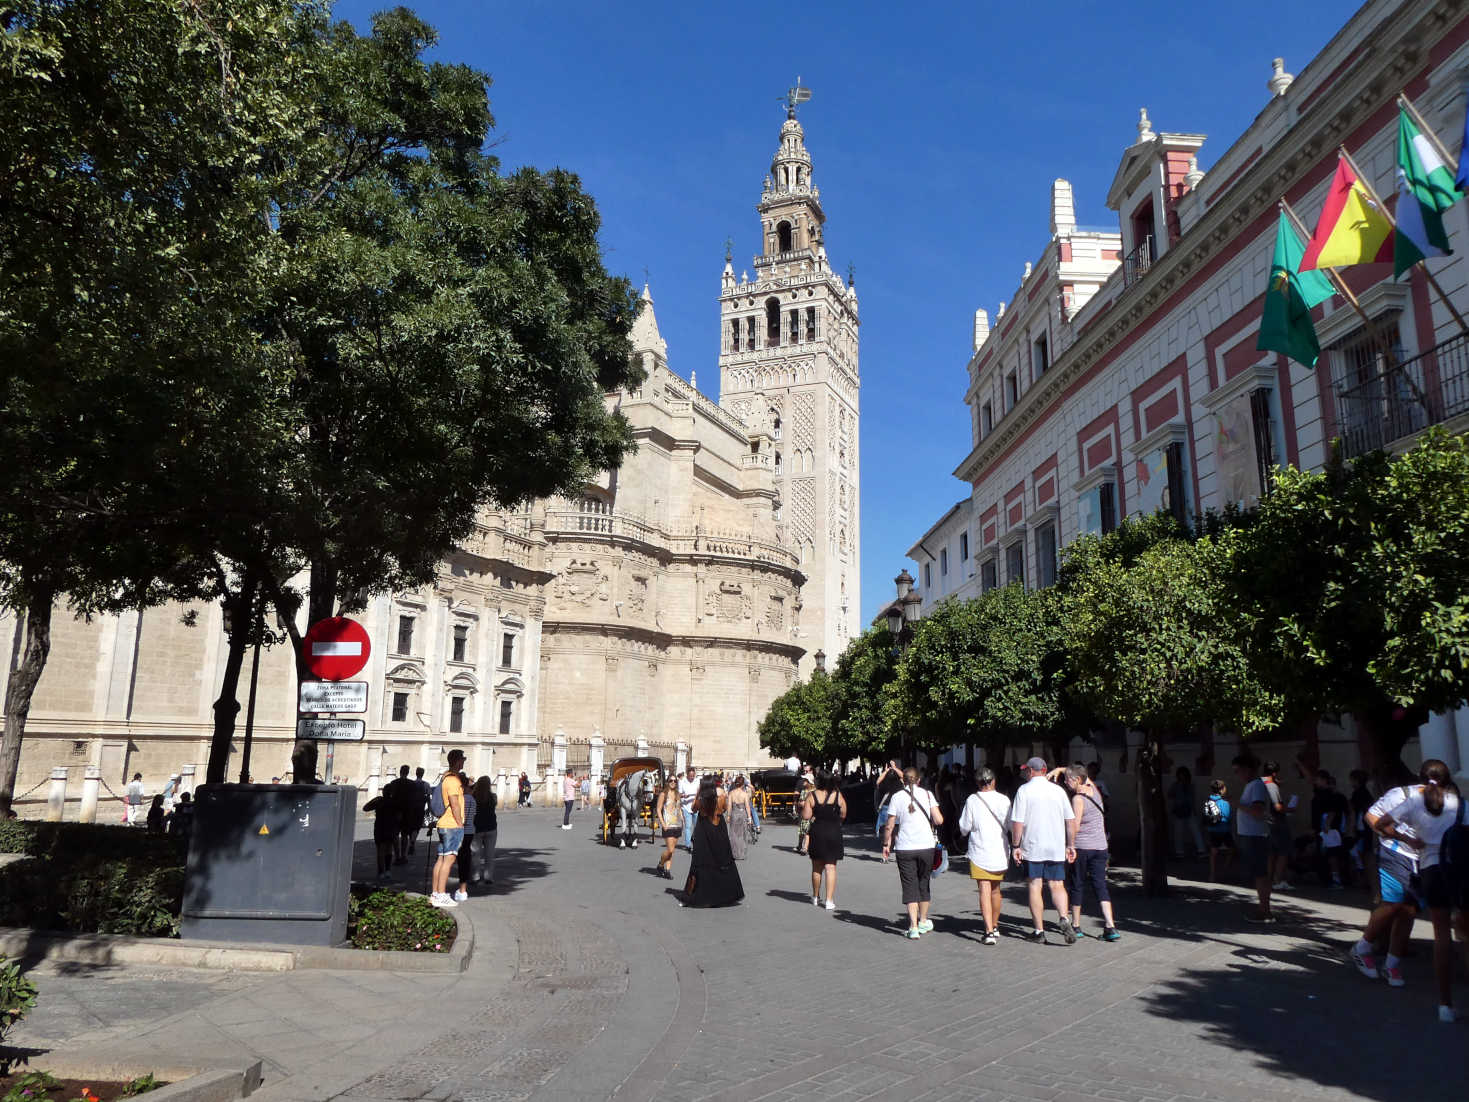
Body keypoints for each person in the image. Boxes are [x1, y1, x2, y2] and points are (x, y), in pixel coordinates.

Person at [1350, 760, 1461, 1007]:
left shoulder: (1448, 800)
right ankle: (1363, 947)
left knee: (1409, 911)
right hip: (1395, 852)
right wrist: (1402, 837)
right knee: (1393, 904)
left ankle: (1392, 964)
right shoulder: (1403, 795)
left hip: (1424, 861)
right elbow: (1372, 817)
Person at [1010, 757, 1077, 944]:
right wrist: (1070, 845)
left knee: (1035, 885)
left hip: (1033, 846)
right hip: (1055, 845)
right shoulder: (1058, 791)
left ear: (1031, 771)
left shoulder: (1024, 791)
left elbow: (1018, 822)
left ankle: (1039, 931)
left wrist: (1016, 845)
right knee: (1057, 885)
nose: (1025, 773)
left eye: (1026, 770)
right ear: (1045, 770)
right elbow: (1070, 821)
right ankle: (1064, 917)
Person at [881, 766, 943, 939]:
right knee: (924, 883)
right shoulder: (928, 794)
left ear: (903, 780)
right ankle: (923, 920)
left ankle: (913, 927)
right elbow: (939, 819)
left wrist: (886, 844)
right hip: (926, 846)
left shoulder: (897, 797)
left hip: (905, 847)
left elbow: (890, 824)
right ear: (919, 780)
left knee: (909, 885)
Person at [1064, 764, 1119, 941]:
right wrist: (1061, 769)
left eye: (1067, 779)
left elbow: (1076, 825)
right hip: (1101, 847)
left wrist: (1070, 845)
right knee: (1100, 885)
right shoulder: (1095, 791)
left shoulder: (1077, 799)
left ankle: (1076, 925)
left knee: (1077, 884)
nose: (1065, 782)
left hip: (1082, 847)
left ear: (1078, 779)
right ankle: (1110, 926)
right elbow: (1085, 776)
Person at [958, 767, 1010, 945]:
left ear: (978, 783)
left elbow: (964, 827)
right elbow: (1010, 825)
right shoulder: (1004, 800)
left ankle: (988, 930)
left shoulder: (972, 800)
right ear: (993, 781)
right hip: (1000, 850)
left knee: (984, 890)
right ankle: (995, 926)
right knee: (996, 890)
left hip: (980, 850)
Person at [682, 785, 744, 907]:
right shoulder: (721, 795)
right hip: (719, 827)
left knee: (703, 862)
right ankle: (724, 894)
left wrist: (697, 793)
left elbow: (694, 809)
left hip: (704, 829)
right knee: (722, 860)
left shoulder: (702, 798)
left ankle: (700, 894)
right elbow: (725, 808)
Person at [1234, 755, 1275, 922]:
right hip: (1252, 835)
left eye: (1238, 771)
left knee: (1260, 874)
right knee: (1259, 873)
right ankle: (1263, 908)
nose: (1237, 775)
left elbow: (1258, 811)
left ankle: (1264, 910)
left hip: (1255, 836)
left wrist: (1234, 802)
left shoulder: (1256, 786)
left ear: (1247, 769)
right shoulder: (1252, 785)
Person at [802, 772, 846, 910]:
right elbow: (844, 813)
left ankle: (815, 896)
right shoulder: (838, 795)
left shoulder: (812, 795)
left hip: (818, 831)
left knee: (817, 867)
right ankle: (829, 900)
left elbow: (806, 816)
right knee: (831, 867)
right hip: (833, 832)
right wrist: (836, 821)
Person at [429, 751, 466, 908]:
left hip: (444, 823)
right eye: (462, 760)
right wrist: (459, 822)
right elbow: (454, 802)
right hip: (451, 824)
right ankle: (442, 894)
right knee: (449, 859)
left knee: (441, 859)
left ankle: (436, 893)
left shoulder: (445, 777)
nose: (463, 762)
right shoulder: (453, 780)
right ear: (457, 761)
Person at [1310, 770, 1349, 890]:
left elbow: (1333, 810)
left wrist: (1327, 824)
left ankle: (1336, 879)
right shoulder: (1319, 793)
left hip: (1329, 831)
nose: (1315, 782)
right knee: (1325, 854)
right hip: (1322, 829)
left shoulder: (1331, 795)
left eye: (1317, 779)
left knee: (1333, 855)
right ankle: (1327, 879)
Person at [1261, 760, 1294, 890]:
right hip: (1277, 822)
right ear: (1275, 773)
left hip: (1265, 822)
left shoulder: (1260, 783)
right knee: (1283, 852)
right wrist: (1290, 809)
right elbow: (1278, 807)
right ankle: (1278, 880)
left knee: (1270, 852)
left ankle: (1269, 879)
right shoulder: (1272, 786)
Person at [361, 787, 401, 880]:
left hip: (380, 827)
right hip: (390, 827)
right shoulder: (395, 802)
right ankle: (387, 870)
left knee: (380, 850)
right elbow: (399, 816)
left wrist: (375, 800)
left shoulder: (379, 801)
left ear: (383, 792)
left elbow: (365, 808)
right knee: (389, 849)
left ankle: (381, 872)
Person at [383, 765, 416, 864]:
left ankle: (397, 856)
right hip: (407, 812)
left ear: (400, 771)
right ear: (408, 772)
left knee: (395, 835)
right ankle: (404, 856)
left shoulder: (394, 783)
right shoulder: (412, 784)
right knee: (405, 835)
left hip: (396, 811)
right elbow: (413, 799)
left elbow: (391, 797)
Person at [1169, 766, 1204, 859]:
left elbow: (1191, 798)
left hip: (1186, 810)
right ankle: (1181, 852)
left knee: (1192, 830)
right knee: (1180, 832)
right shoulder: (1178, 785)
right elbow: (1171, 795)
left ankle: (1199, 850)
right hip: (1181, 810)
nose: (1182, 777)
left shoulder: (1187, 785)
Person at [469, 775, 497, 888]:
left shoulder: (473, 797)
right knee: (489, 854)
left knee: (475, 854)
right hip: (491, 827)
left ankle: (475, 877)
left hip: (477, 827)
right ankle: (488, 877)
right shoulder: (493, 797)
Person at [1204, 780, 1234, 883]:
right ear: (1221, 790)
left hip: (1212, 830)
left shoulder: (1209, 800)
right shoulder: (1225, 802)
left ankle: (1212, 875)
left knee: (1213, 853)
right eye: (1225, 787)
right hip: (1224, 830)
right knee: (1231, 850)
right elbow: (1228, 816)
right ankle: (1223, 871)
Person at [454, 774, 477, 902]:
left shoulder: (461, 799)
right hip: (470, 832)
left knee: (455, 857)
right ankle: (463, 888)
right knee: (465, 857)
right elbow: (474, 816)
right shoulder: (473, 800)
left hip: (460, 830)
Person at [653, 778, 682, 879]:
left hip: (677, 824)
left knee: (672, 851)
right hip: (668, 825)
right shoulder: (663, 794)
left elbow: (678, 808)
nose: (673, 782)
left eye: (675, 781)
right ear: (667, 782)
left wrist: (682, 818)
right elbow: (658, 809)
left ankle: (668, 870)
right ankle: (661, 864)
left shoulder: (678, 794)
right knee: (670, 850)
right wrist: (662, 823)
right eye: (671, 780)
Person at [726, 775, 755, 862]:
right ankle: (742, 854)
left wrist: (728, 815)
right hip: (743, 814)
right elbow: (747, 807)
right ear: (743, 785)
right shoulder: (745, 794)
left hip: (734, 813)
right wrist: (749, 818)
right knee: (743, 834)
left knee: (733, 834)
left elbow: (729, 805)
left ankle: (734, 853)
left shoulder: (731, 793)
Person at [874, 760, 903, 839]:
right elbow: (903, 776)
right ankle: (897, 845)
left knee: (887, 830)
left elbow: (878, 781)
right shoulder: (900, 783)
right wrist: (895, 768)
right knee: (897, 829)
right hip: (898, 808)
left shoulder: (884, 783)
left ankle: (887, 845)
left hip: (886, 807)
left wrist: (886, 771)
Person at [678, 765, 700, 851]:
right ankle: (688, 845)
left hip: (695, 806)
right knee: (688, 826)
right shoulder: (682, 782)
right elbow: (679, 794)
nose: (692, 778)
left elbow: (699, 791)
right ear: (687, 775)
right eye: (690, 776)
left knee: (697, 826)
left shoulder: (697, 781)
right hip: (686, 807)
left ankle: (694, 838)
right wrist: (683, 795)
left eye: (693, 776)